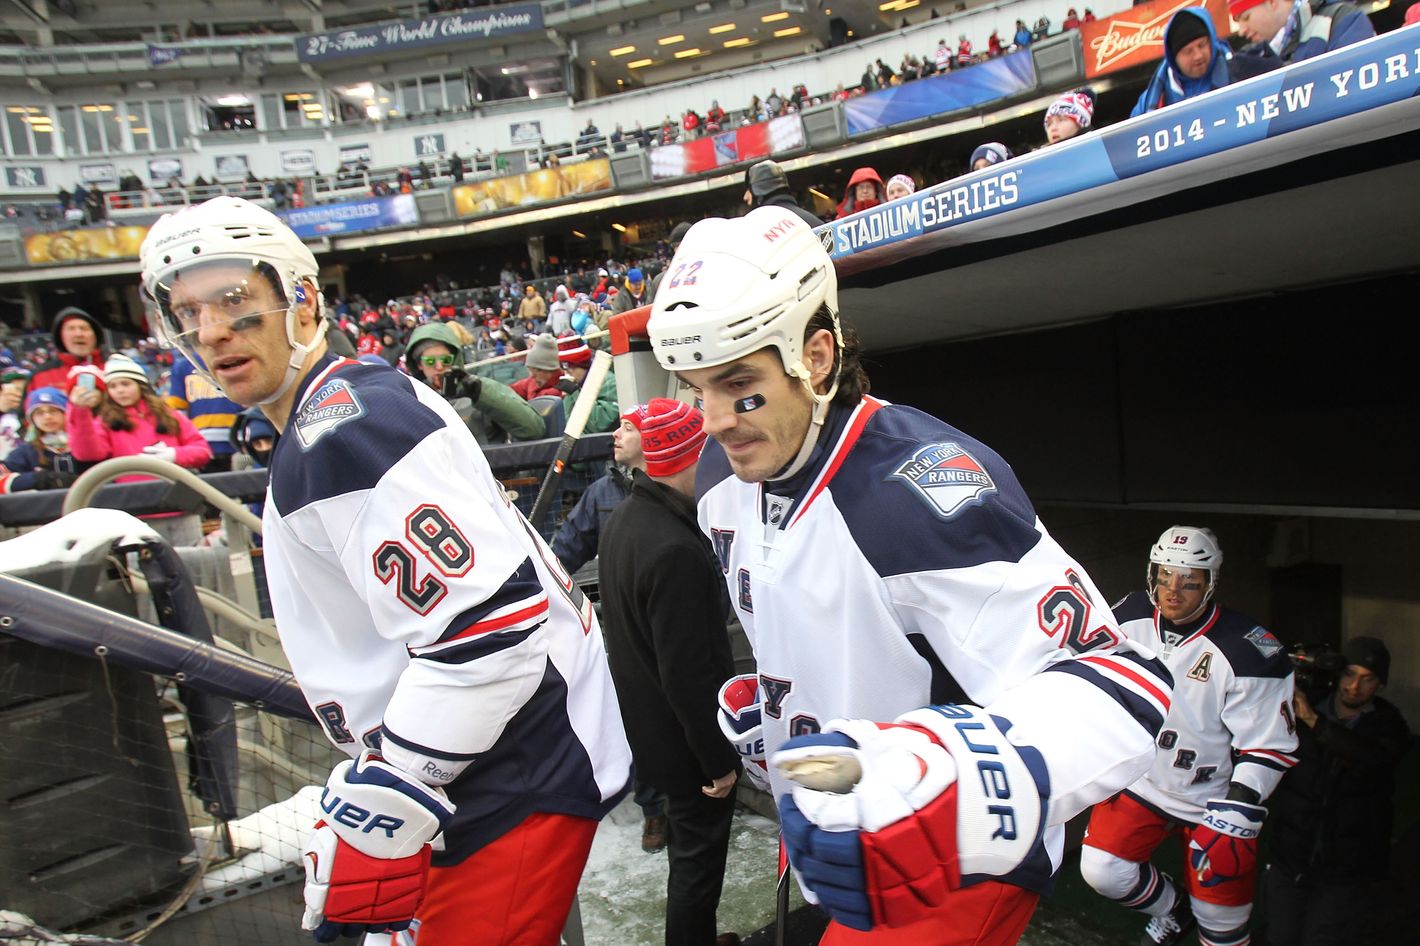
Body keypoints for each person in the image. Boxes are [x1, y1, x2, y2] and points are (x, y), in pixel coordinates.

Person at [646, 206, 1173, 945]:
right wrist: (777, 707)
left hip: (960, 853)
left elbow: (1123, 689)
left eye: (740, 385)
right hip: (835, 816)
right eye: (694, 387)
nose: (716, 419)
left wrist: (945, 776)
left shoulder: (920, 490)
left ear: (817, 356)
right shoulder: (721, 476)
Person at [138, 196, 631, 945]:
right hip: (491, 764)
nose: (210, 332)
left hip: (505, 774)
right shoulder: (349, 397)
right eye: (188, 312)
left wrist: (391, 796)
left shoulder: (339, 428)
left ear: (299, 297)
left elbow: (489, 633)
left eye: (234, 301)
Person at [1080, 526, 1298, 946]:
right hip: (1146, 779)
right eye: (1164, 576)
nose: (1172, 591)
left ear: (1211, 583)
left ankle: (1205, 922)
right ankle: (1174, 910)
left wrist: (1238, 803)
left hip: (1213, 798)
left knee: (1220, 922)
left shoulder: (1250, 649)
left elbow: (1270, 745)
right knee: (1102, 870)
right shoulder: (1128, 616)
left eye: (1189, 581)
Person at [598, 398, 741, 946]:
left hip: (653, 733)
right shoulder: (674, 546)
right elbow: (687, 674)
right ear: (693, 452)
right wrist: (716, 760)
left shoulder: (628, 520)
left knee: (690, 859)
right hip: (685, 746)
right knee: (697, 867)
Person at [1263, 637, 1411, 946]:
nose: (1354, 686)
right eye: (1349, 674)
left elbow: (1369, 759)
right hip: (1290, 858)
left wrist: (1314, 721)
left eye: (1367, 678)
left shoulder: (1389, 724)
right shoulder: (1304, 706)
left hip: (1345, 870)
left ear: (1380, 684)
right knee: (1279, 936)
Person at [66, 353, 211, 479]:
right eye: (113, 386)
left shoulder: (169, 415)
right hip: (132, 499)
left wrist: (174, 455)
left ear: (141, 386)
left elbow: (202, 451)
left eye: (125, 384)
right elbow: (87, 454)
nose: (120, 391)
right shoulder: (105, 422)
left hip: (177, 493)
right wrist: (80, 411)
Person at [403, 322, 545, 444]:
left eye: (446, 360)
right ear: (419, 365)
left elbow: (534, 430)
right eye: (430, 361)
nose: (439, 367)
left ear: (455, 358)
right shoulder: (410, 400)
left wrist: (480, 394)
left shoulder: (482, 387)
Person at [1131, 8, 1278, 117]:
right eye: (1188, 51)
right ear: (1173, 58)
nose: (1198, 56)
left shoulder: (1244, 69)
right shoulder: (1154, 99)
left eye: (1202, 45)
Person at [1230, 0, 1374, 65]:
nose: (1242, 31)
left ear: (1272, 2)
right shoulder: (1250, 56)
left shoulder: (1343, 20)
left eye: (1245, 18)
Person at [165, 351, 242, 473]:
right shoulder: (183, 366)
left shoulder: (237, 357)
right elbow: (177, 410)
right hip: (201, 445)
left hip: (240, 442)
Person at [0, 387, 88, 492]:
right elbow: (3, 479)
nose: (47, 417)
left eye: (53, 410)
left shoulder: (86, 444)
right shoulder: (26, 451)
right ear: (32, 419)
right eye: (39, 413)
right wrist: (38, 479)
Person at [29, 306, 106, 394]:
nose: (78, 334)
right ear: (61, 337)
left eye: (84, 328)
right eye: (71, 329)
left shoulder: (113, 368)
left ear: (95, 336)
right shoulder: (40, 375)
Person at [556, 335, 618, 433]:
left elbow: (599, 424)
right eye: (565, 370)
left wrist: (576, 393)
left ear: (582, 365)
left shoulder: (608, 382)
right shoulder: (573, 387)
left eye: (571, 369)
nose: (567, 373)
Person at [743, 160, 823, 228]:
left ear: (759, 193)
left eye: (748, 190)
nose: (745, 197)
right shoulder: (817, 224)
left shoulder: (755, 230)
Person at [511, 333, 572, 401]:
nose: (532, 376)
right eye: (530, 370)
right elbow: (510, 390)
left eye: (536, 370)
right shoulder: (533, 381)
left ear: (550, 369)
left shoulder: (564, 389)